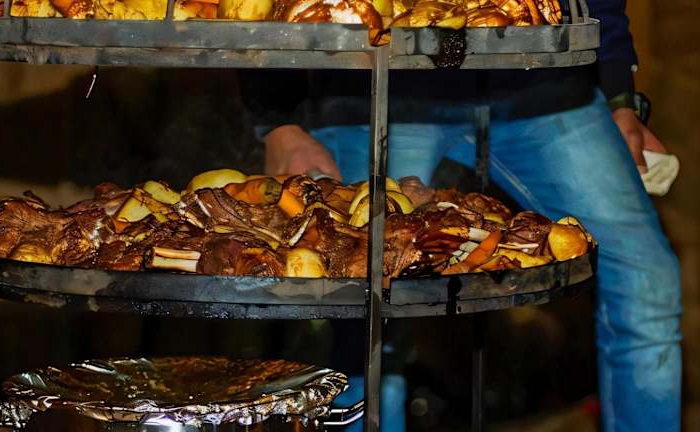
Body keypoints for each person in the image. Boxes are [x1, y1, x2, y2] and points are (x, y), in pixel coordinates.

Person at [240, 0, 683, 429]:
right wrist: (278, 121)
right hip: (381, 81)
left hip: (543, 86)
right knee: (365, 305)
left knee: (647, 279)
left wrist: (620, 94)